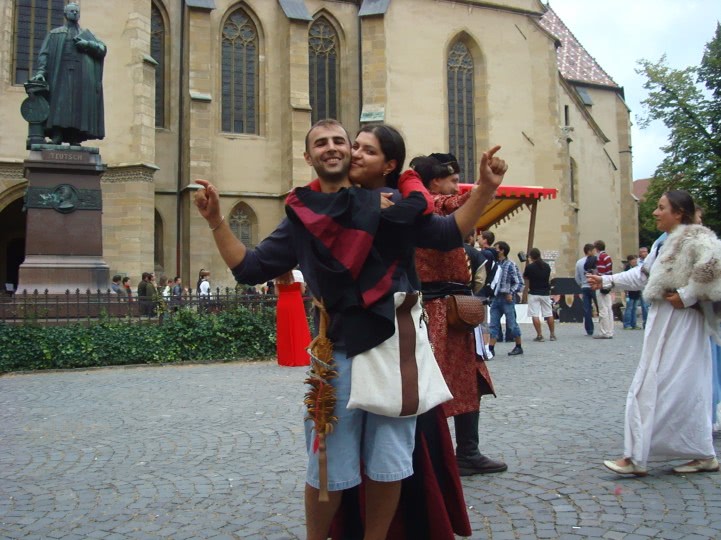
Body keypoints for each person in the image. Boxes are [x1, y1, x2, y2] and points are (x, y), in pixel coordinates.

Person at [193, 119, 507, 540]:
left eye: (342, 141)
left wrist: (485, 188)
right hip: (337, 353)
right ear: (308, 156)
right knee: (327, 467)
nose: (336, 148)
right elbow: (250, 268)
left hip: (395, 347)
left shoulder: (394, 205)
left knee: (389, 463)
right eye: (321, 142)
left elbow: (448, 232)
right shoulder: (303, 216)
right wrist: (216, 220)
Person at [589, 190, 721, 476]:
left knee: (675, 385)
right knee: (673, 385)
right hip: (665, 321)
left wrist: (686, 296)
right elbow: (643, 276)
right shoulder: (664, 243)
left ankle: (639, 456)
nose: (655, 212)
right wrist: (607, 280)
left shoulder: (699, 239)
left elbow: (714, 272)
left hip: (684, 324)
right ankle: (698, 453)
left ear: (679, 213)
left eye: (662, 208)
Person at [411, 153, 507, 476]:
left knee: (470, 378)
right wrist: (484, 187)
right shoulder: (428, 205)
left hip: (455, 310)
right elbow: (454, 203)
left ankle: (467, 451)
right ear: (435, 182)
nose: (456, 187)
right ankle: (425, 458)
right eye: (452, 180)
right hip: (433, 310)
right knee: (430, 383)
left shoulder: (435, 205)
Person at [29, 2, 106, 145]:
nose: (75, 13)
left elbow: (102, 49)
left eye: (77, 11)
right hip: (60, 73)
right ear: (65, 14)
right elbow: (44, 54)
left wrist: (87, 45)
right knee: (60, 103)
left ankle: (75, 137)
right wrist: (41, 71)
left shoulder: (86, 35)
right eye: (72, 11)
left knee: (78, 105)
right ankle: (57, 135)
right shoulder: (55, 34)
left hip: (81, 74)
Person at [488, 241, 524, 356]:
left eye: (496, 248)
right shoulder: (495, 264)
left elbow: (519, 282)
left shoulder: (510, 264)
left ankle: (518, 346)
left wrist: (511, 292)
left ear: (502, 250)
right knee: (493, 325)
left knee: (512, 325)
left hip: (507, 299)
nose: (495, 250)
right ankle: (490, 349)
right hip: (496, 298)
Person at [274, 268, 311, 367]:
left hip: (283, 303)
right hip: (296, 303)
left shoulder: (278, 274)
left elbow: (277, 293)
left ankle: (286, 358)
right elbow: (302, 291)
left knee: (284, 331)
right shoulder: (298, 273)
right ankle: (301, 357)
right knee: (299, 329)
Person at [523, 247, 555, 341]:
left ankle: (539, 335)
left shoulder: (530, 267)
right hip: (545, 292)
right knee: (549, 313)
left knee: (535, 314)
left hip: (534, 292)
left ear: (531, 256)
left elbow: (525, 276)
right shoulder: (547, 266)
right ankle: (552, 334)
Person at [593, 240, 614, 339]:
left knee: (602, 309)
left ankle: (604, 332)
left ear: (596, 248)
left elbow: (600, 273)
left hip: (601, 283)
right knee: (609, 308)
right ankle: (610, 331)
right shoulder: (608, 257)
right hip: (609, 282)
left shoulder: (600, 258)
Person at [575, 243, 596, 336]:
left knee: (587, 309)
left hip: (584, 286)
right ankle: (603, 328)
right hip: (594, 285)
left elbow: (577, 276)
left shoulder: (579, 262)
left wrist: (581, 284)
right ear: (589, 251)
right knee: (600, 307)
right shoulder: (595, 260)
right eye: (593, 250)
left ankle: (589, 329)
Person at [622, 255, 642, 330]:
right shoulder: (627, 269)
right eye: (633, 260)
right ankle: (627, 324)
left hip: (636, 290)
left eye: (636, 260)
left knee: (634, 308)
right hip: (629, 290)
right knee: (629, 308)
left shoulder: (638, 268)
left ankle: (634, 324)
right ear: (630, 261)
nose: (635, 261)